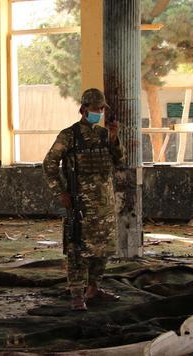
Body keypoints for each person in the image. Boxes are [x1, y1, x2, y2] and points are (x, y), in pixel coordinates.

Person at [42, 88, 124, 311]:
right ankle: (77, 293)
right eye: (95, 108)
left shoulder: (104, 135)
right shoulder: (69, 135)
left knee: (103, 249)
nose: (99, 112)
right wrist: (61, 192)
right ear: (83, 109)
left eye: (101, 109)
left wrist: (115, 138)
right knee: (77, 248)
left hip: (104, 204)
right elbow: (49, 164)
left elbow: (120, 161)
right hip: (81, 204)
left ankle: (94, 288)